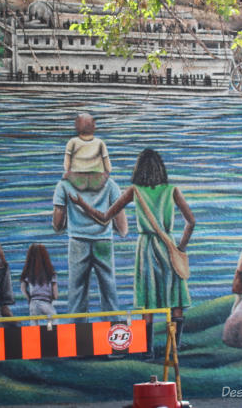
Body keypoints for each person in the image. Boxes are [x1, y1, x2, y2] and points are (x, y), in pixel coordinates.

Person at [70, 148, 195, 350]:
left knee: (148, 301)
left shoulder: (134, 191)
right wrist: (180, 247)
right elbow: (191, 222)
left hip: (146, 249)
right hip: (169, 246)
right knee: (176, 299)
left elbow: (104, 218)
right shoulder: (172, 190)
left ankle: (147, 351)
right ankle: (175, 348)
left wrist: (82, 204)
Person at [53, 161, 127, 317]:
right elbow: (123, 229)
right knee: (109, 289)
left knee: (76, 292)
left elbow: (57, 225)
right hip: (104, 241)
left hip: (77, 242)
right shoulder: (111, 185)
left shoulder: (64, 185)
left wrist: (72, 220)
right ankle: (113, 330)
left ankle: (76, 332)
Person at [63, 112, 112, 192]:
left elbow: (67, 163)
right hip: (97, 180)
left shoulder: (72, 142)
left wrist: (67, 172)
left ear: (76, 127)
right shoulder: (100, 143)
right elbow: (107, 163)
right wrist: (107, 172)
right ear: (94, 127)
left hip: (77, 180)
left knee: (66, 177)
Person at [20, 243, 58, 323]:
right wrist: (52, 297)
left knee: (34, 324)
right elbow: (56, 295)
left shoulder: (28, 272)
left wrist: (29, 298)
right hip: (46, 303)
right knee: (51, 320)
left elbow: (23, 289)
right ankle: (49, 332)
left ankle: (35, 334)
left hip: (33, 303)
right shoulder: (50, 273)